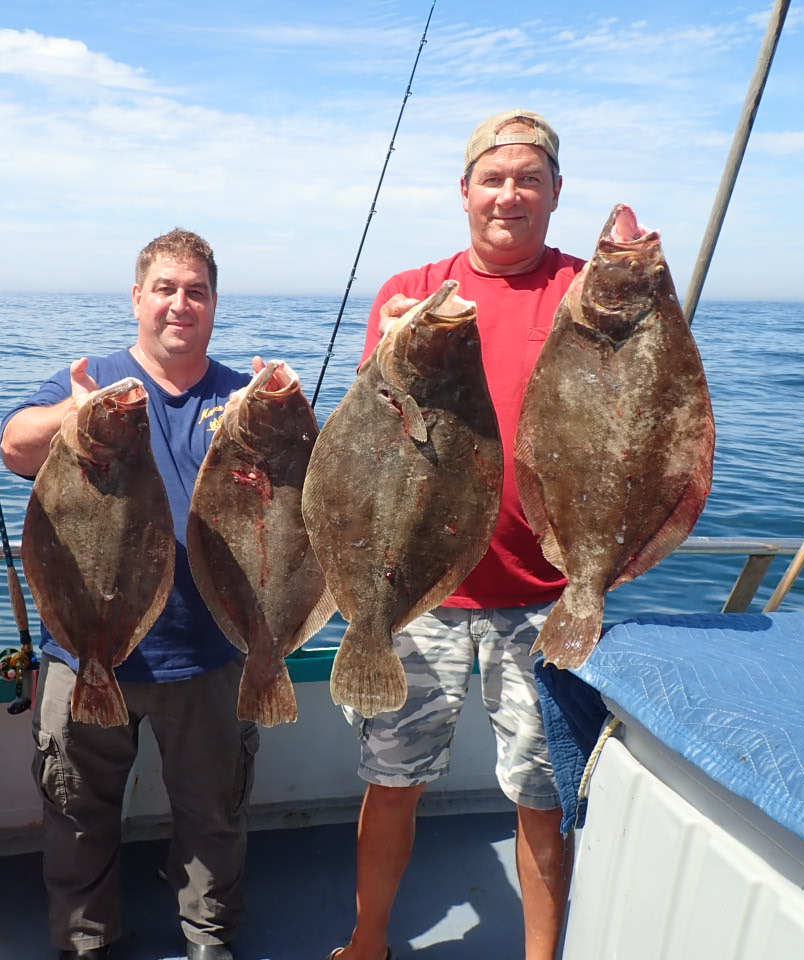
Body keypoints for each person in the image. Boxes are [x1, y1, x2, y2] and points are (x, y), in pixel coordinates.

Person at [328, 111, 580, 960]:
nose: (509, 194)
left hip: (545, 597)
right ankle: (369, 940)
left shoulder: (586, 293)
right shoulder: (412, 290)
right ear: (465, 192)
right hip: (415, 596)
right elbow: (368, 436)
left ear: (553, 192)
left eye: (529, 178)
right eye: (493, 178)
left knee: (541, 794)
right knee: (390, 782)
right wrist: (387, 348)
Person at [0, 229, 257, 960]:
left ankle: (211, 940)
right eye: (167, 289)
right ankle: (86, 946)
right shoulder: (92, 381)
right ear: (138, 298)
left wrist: (286, 420)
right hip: (79, 650)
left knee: (214, 816)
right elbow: (16, 444)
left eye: (197, 291)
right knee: (77, 816)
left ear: (213, 305)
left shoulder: (239, 397)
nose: (181, 304)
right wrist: (71, 419)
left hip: (207, 654)